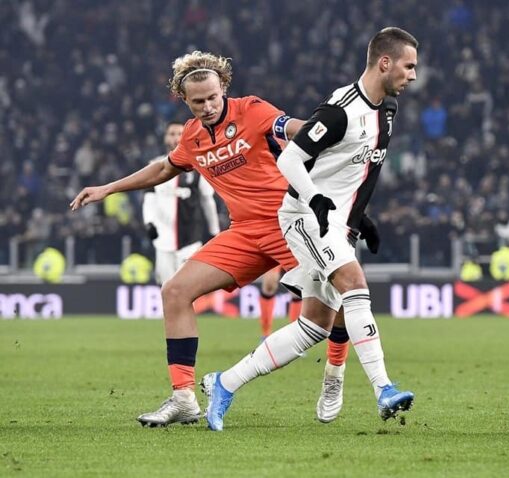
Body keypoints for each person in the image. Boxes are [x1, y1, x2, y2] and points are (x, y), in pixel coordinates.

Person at [70, 50, 312, 428]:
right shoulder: (192, 136)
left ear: (224, 88)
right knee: (174, 291)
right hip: (245, 233)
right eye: (198, 101)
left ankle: (354, 382)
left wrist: (333, 128)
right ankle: (184, 398)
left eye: (214, 97)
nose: (208, 106)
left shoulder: (252, 110)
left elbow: (297, 128)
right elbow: (165, 168)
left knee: (335, 301)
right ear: (184, 100)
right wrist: (109, 188)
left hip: (289, 224)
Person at [202, 27, 419, 430]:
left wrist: (359, 218)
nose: (413, 75)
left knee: (313, 328)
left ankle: (224, 383)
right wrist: (316, 199)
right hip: (305, 216)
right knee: (354, 285)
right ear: (384, 63)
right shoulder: (340, 111)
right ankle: (383, 389)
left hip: (338, 221)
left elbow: (355, 169)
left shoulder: (386, 110)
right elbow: (291, 162)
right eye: (409, 66)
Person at [142, 122, 220, 284]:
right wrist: (149, 223)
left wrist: (214, 232)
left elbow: (207, 200)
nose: (176, 138)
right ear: (165, 138)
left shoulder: (199, 165)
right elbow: (149, 199)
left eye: (180, 134)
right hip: (163, 240)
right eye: (172, 134)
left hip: (190, 239)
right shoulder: (154, 166)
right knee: (166, 289)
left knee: (186, 289)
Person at [258, 266, 302, 340]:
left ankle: (295, 338)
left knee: (297, 288)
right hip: (275, 255)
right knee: (269, 284)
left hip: (294, 254)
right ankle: (266, 334)